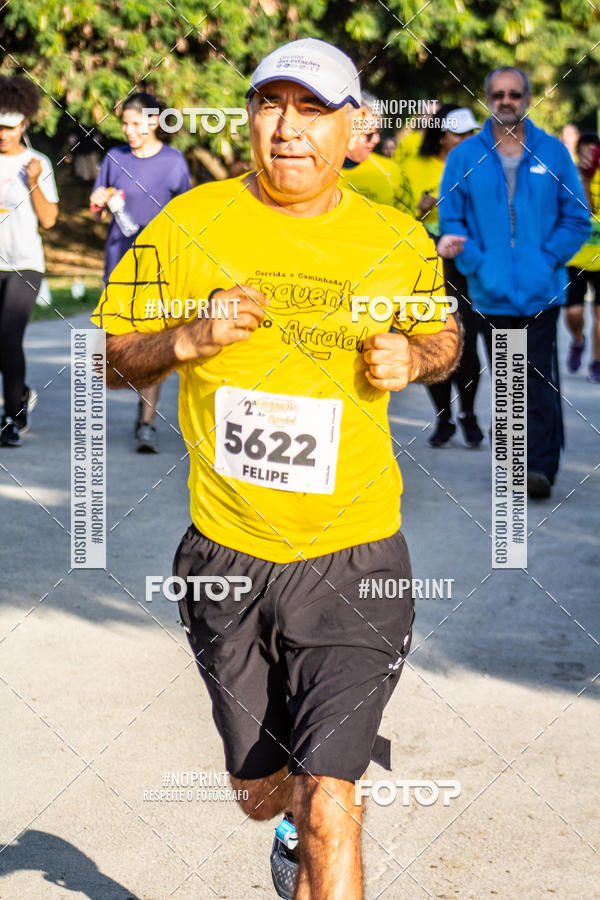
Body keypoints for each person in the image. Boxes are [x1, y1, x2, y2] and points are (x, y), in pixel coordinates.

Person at [92, 38, 460, 900]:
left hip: (357, 557)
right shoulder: (187, 225)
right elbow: (111, 358)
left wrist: (414, 357)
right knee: (261, 795)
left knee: (334, 800)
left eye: (313, 110)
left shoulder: (392, 238)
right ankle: (288, 814)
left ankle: (320, 803)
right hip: (226, 556)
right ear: (250, 118)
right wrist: (187, 339)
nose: (288, 128)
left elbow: (443, 338)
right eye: (271, 105)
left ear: (354, 129)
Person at [439, 67, 590, 499]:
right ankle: (511, 466)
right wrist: (478, 264)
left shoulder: (553, 153)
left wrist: (546, 259)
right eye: (499, 94)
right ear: (488, 98)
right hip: (490, 292)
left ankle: (540, 467)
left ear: (527, 97)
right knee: (507, 380)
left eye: (515, 94)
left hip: (542, 291)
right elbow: (452, 220)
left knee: (538, 377)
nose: (506, 100)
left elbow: (577, 217)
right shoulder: (465, 157)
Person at [90, 92, 190, 452]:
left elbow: (186, 216)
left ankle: (147, 421)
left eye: (136, 124)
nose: (129, 131)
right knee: (115, 343)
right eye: (125, 124)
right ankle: (135, 402)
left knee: (152, 342)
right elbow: (96, 213)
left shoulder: (174, 162)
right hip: (119, 262)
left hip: (158, 266)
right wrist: (99, 202)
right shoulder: (114, 158)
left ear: (154, 122)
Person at [404, 105, 484, 447]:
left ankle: (468, 413)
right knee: (431, 341)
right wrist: (419, 210)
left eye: (471, 132)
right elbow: (396, 216)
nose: (467, 138)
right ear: (441, 136)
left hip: (464, 268)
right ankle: (444, 418)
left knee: (465, 342)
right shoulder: (411, 167)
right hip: (423, 268)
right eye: (459, 133)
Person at [0, 75, 58, 447]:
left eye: (9, 127)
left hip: (24, 264)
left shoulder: (37, 163)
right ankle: (20, 393)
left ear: (24, 124)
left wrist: (34, 182)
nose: (2, 134)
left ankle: (12, 417)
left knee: (9, 336)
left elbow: (49, 219)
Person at [339, 93, 415, 215]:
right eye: (369, 134)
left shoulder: (391, 172)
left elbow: (410, 221)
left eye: (378, 131)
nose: (376, 140)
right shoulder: (318, 171)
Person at [563, 132, 600, 381]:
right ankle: (578, 340)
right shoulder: (570, 176)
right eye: (585, 149)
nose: (589, 154)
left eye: (594, 149)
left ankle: (597, 361)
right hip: (576, 258)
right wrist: (584, 180)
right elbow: (584, 211)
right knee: (574, 314)